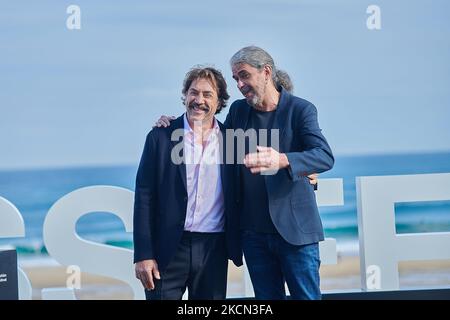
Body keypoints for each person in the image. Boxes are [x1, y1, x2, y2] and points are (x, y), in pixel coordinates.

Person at [155, 46, 330, 300]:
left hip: (296, 234)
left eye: (244, 75)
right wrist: (173, 124)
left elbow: (324, 155)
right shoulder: (239, 111)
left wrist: (283, 160)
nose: (239, 84)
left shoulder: (301, 110)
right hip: (254, 235)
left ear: (266, 72)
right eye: (236, 77)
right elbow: (212, 132)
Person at [133, 66, 242, 300]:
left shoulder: (232, 141)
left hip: (214, 249)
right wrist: (143, 254)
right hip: (168, 249)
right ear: (185, 95)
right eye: (193, 93)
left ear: (220, 101)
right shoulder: (160, 137)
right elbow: (144, 196)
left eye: (207, 95)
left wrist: (304, 170)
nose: (198, 100)